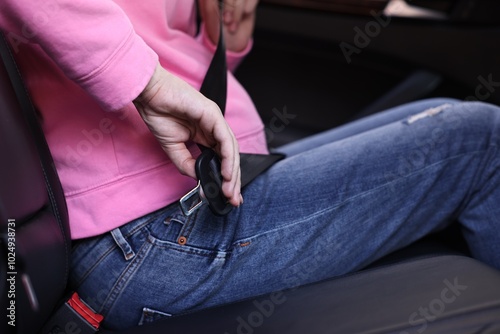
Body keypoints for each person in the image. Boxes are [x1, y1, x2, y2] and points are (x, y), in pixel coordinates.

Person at [1, 0, 499, 330]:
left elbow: (172, 74)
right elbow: (130, 74)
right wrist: (146, 83)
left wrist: (228, 35)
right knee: (482, 143)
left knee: (454, 123)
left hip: (197, 184)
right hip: (144, 235)